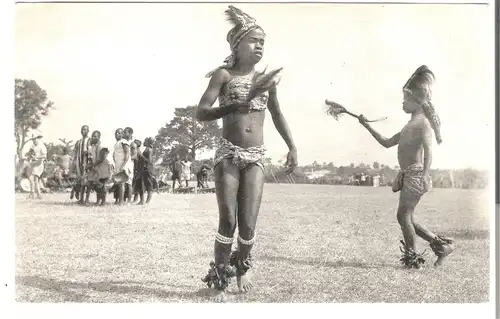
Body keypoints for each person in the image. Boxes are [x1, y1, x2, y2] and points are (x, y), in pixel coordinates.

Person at [196, 5, 297, 302]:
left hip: (256, 157)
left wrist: (292, 146)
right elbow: (201, 112)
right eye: (254, 41)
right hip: (228, 155)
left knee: (249, 222)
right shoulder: (223, 75)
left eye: (263, 42)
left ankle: (242, 268)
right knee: (228, 219)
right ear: (237, 45)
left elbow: (278, 116)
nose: (260, 46)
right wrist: (230, 107)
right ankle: (219, 279)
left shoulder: (265, 81)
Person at [357, 65, 455, 268]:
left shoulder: (423, 124)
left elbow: (429, 151)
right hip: (409, 175)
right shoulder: (408, 126)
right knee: (407, 217)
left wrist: (425, 176)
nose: (403, 103)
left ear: (417, 102)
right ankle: (442, 247)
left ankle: (412, 259)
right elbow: (385, 142)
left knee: (403, 216)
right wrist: (367, 125)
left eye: (406, 99)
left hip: (416, 175)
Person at [113, 128, 133, 205]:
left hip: (124, 165)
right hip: (118, 164)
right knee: (120, 183)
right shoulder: (117, 143)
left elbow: (127, 154)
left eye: (119, 133)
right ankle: (120, 200)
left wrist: (123, 166)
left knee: (123, 183)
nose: (117, 134)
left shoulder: (124, 142)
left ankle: (122, 201)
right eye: (116, 133)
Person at [71, 125, 91, 203]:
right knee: (81, 180)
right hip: (79, 163)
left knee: (88, 181)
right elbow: (75, 151)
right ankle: (81, 199)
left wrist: (87, 152)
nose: (83, 131)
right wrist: (74, 161)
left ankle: (87, 199)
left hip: (87, 163)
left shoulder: (90, 140)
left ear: (88, 131)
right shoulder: (78, 142)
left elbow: (92, 149)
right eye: (82, 130)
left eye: (85, 130)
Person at [82, 130, 102, 205]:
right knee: (89, 184)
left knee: (98, 185)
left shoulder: (100, 146)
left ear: (99, 137)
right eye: (92, 136)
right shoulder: (92, 146)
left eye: (95, 136)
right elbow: (90, 154)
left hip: (98, 168)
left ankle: (98, 201)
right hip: (92, 167)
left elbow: (100, 158)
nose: (93, 137)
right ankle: (86, 200)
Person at [26, 135, 47, 199]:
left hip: (39, 163)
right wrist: (29, 155)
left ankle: (38, 194)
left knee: (35, 179)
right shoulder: (33, 146)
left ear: (38, 139)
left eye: (35, 139)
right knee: (30, 177)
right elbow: (30, 153)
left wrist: (36, 157)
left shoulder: (42, 146)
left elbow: (44, 156)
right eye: (33, 139)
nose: (33, 141)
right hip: (34, 163)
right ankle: (33, 193)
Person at [136, 137, 155, 205]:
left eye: (145, 141)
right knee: (142, 185)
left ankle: (147, 202)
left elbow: (149, 161)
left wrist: (141, 156)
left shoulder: (149, 150)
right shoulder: (147, 149)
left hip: (148, 169)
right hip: (144, 169)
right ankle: (142, 201)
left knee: (149, 185)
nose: (143, 142)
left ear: (147, 142)